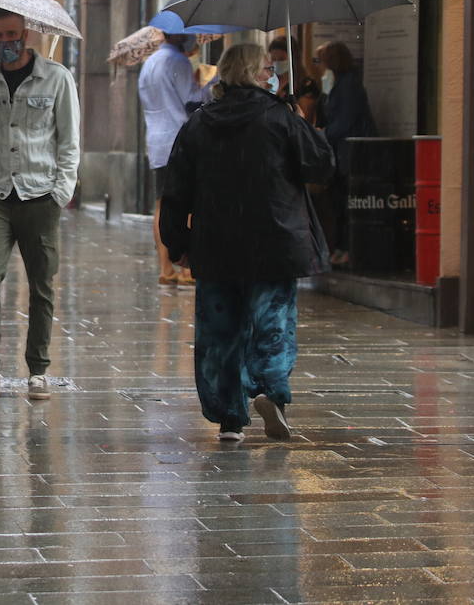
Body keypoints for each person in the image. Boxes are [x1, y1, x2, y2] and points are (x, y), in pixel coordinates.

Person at [160, 43, 334, 444]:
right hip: (274, 243)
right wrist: (300, 119)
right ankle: (270, 390)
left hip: (216, 246)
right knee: (271, 322)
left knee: (220, 331)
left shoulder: (199, 123)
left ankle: (230, 419)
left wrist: (177, 242)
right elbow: (321, 167)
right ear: (255, 74)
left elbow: (176, 189)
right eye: (268, 68)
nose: (272, 74)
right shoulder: (280, 117)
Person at [0, 7, 80, 401]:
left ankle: (38, 370)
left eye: (11, 34)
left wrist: (60, 193)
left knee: (42, 284)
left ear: (26, 34)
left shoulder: (58, 79)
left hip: (39, 195)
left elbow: (69, 141)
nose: (5, 43)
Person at [138, 32, 202, 287]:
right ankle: (187, 269)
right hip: (180, 139)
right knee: (189, 204)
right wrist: (201, 84)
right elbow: (192, 102)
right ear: (177, 35)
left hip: (157, 141)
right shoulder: (179, 62)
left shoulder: (149, 63)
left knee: (161, 205)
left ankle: (166, 268)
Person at [313, 40, 376, 266]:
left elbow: (345, 122)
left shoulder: (349, 85)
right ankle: (340, 247)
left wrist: (321, 133)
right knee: (338, 202)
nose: (317, 66)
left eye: (319, 61)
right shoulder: (333, 85)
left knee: (347, 201)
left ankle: (348, 248)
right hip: (339, 152)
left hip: (351, 153)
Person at [268, 34, 315, 102]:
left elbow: (305, 111)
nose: (277, 62)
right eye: (273, 59)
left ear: (293, 58)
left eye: (282, 59)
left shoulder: (306, 84)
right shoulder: (269, 81)